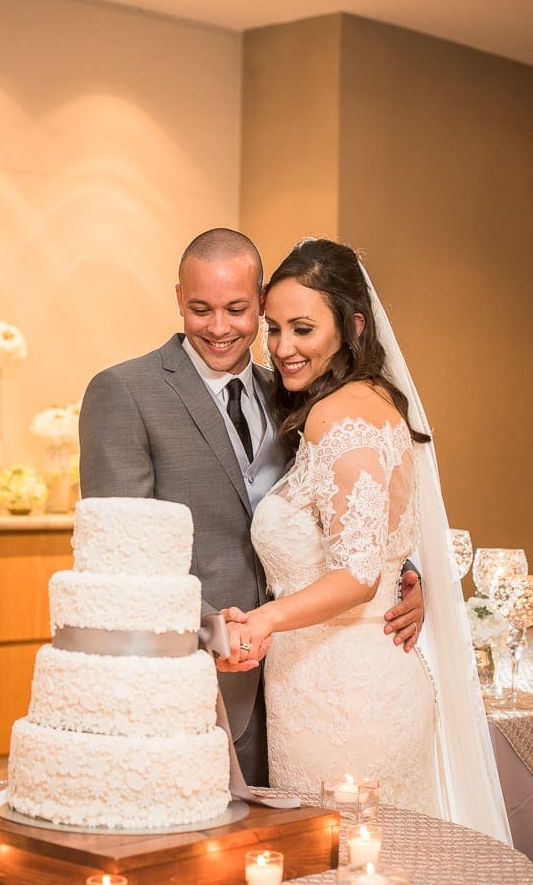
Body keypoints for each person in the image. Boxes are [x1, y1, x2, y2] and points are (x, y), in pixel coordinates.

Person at [79, 228, 424, 788]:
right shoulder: (125, 391)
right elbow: (123, 555)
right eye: (200, 309)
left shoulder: (298, 390)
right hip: (197, 683)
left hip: (304, 688)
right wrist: (214, 636)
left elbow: (344, 510)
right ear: (178, 300)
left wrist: (403, 577)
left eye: (238, 310)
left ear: (261, 301)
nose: (219, 328)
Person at [218, 236, 511, 843]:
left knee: (347, 870)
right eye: (273, 329)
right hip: (344, 682)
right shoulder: (366, 402)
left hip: (344, 700)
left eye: (302, 328)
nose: (282, 348)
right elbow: (377, 544)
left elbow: (356, 576)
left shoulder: (340, 415)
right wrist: (409, 575)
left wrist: (262, 620)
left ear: (351, 327)